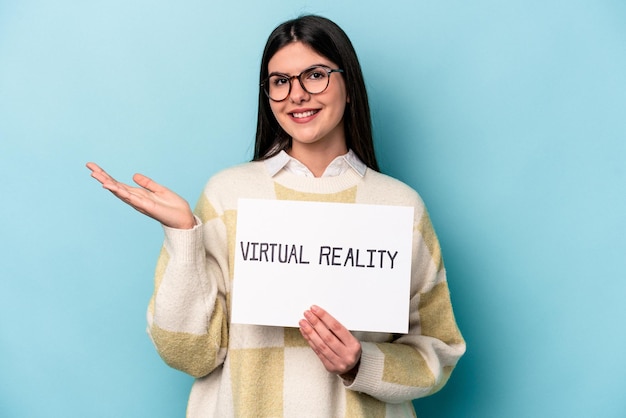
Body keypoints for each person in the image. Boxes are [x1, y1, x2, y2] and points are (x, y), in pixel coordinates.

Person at [87, 14, 465, 418]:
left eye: (315, 75)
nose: (297, 94)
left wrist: (361, 363)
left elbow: (437, 351)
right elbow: (189, 354)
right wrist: (183, 234)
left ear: (349, 85)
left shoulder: (400, 206)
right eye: (280, 81)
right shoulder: (227, 196)